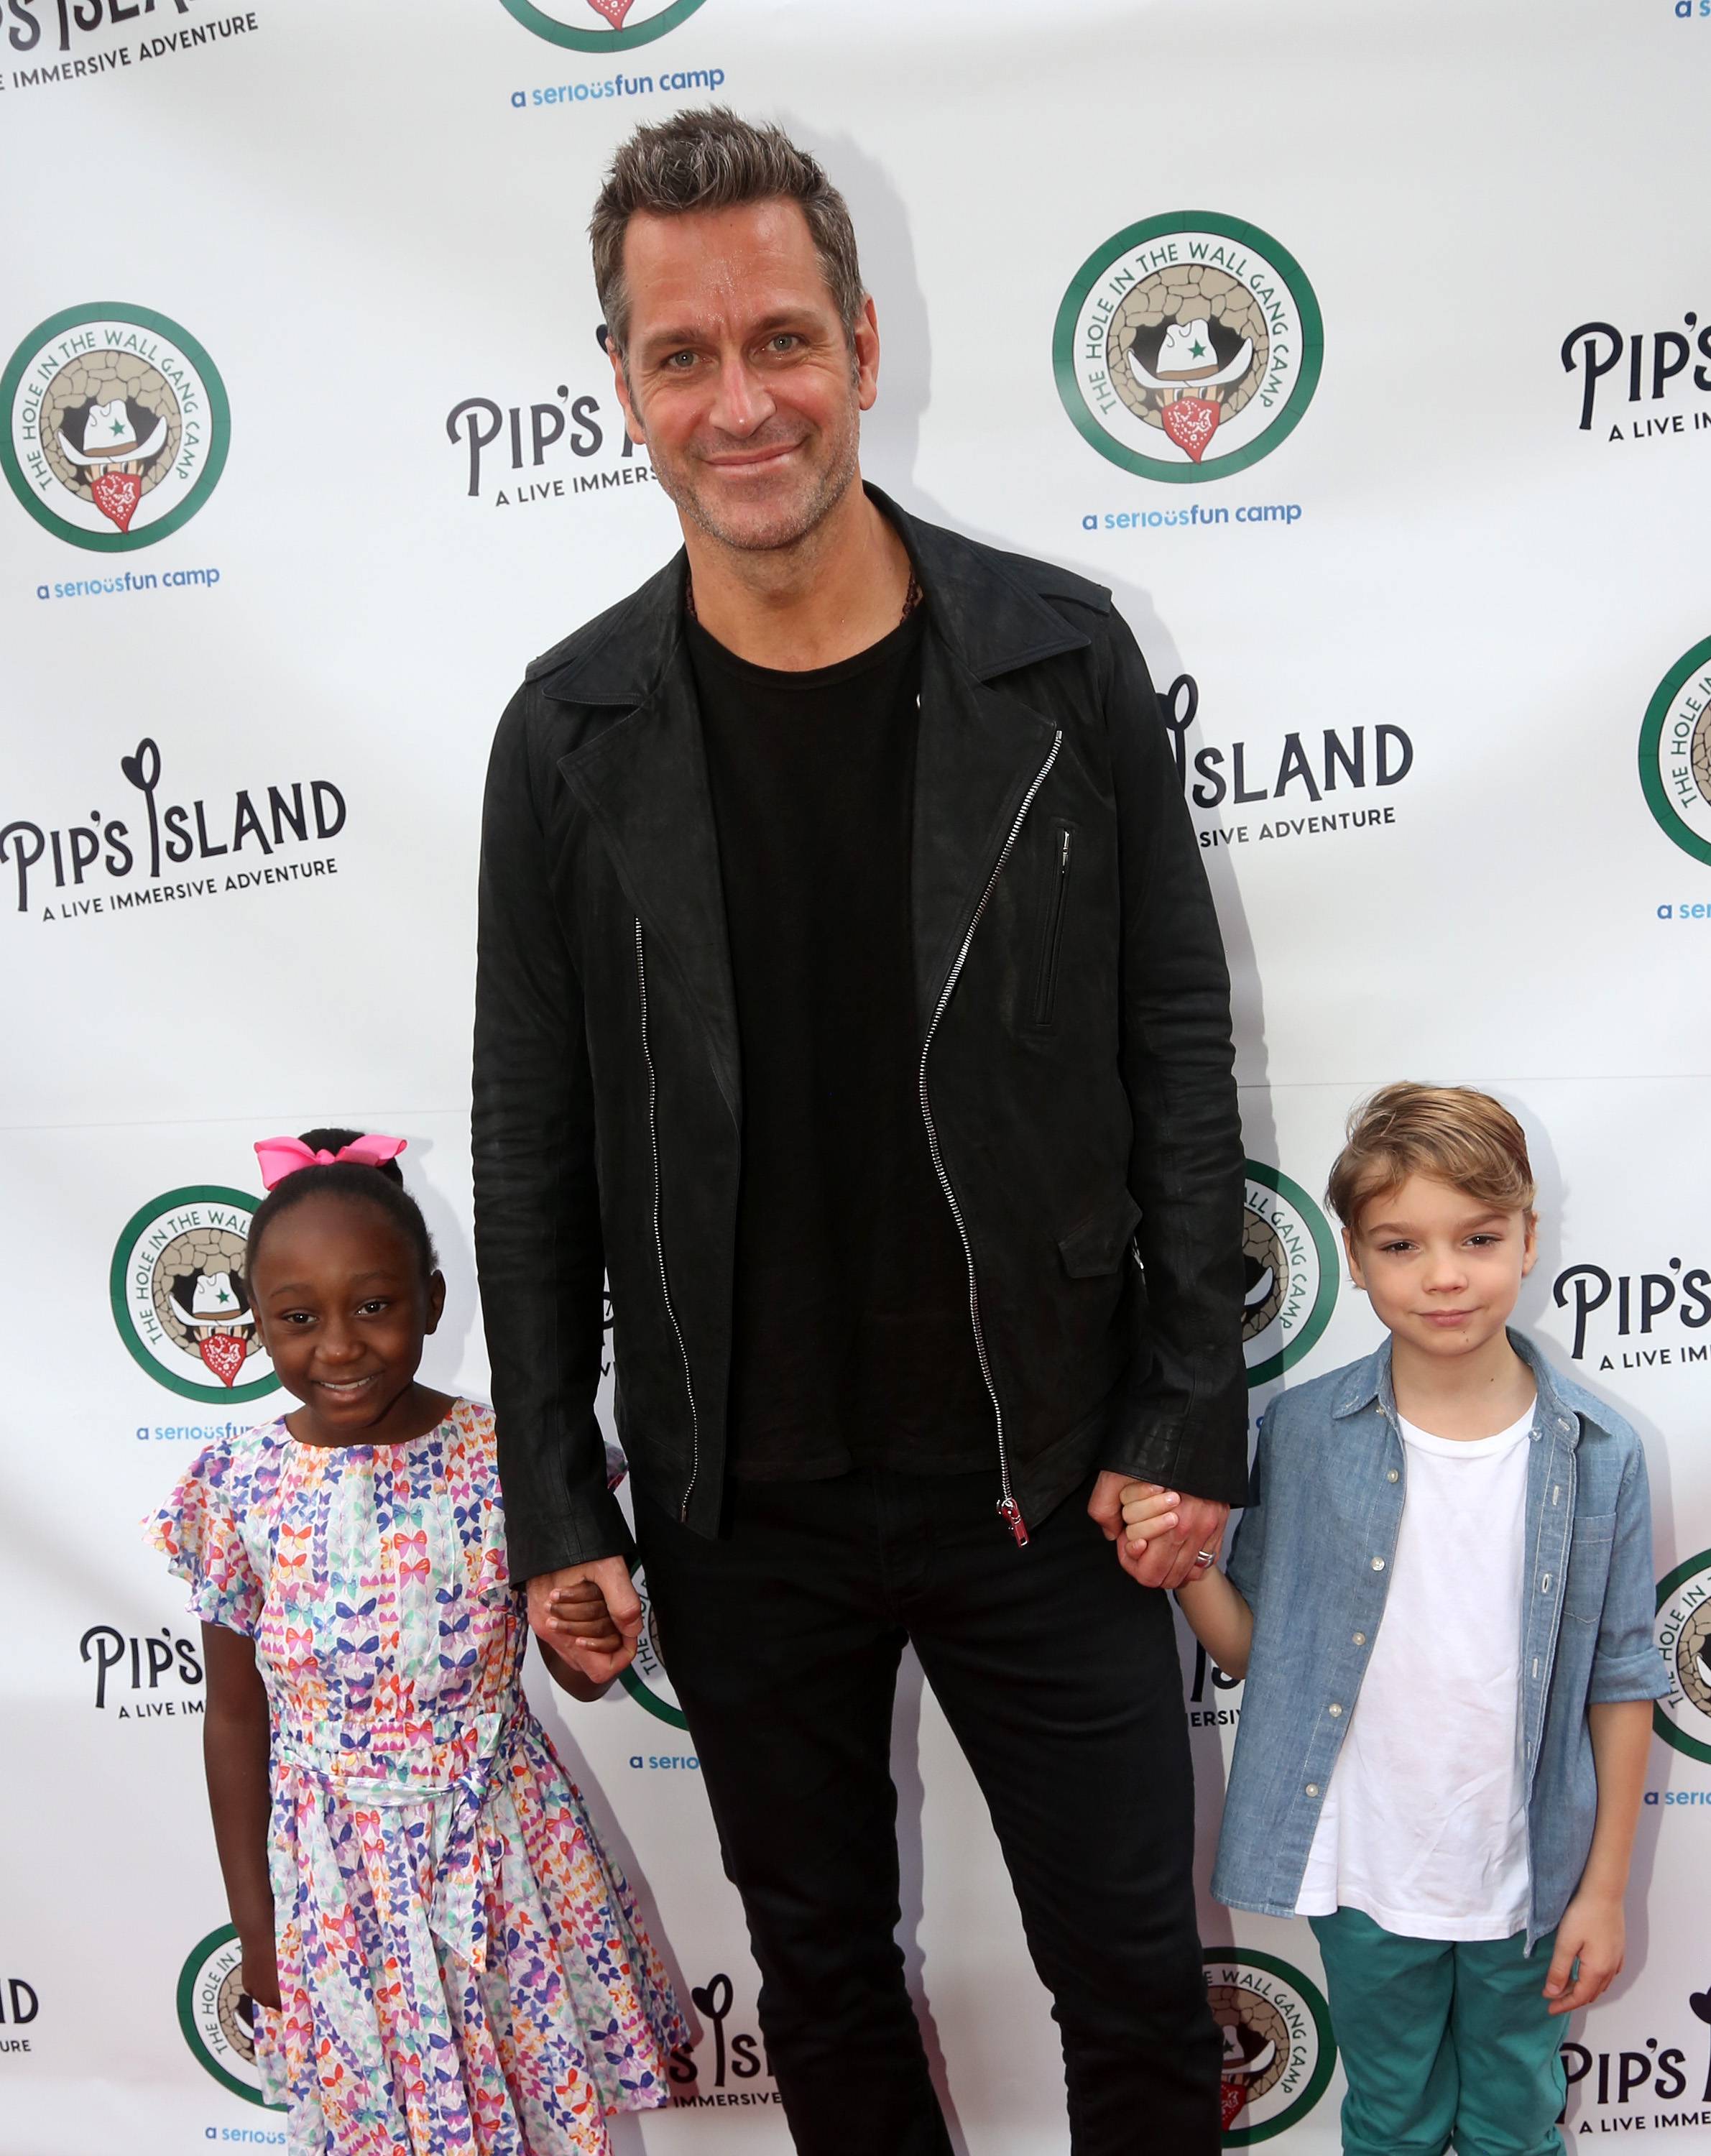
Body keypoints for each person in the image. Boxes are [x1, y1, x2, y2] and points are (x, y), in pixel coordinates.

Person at [473, 108, 1249, 2154]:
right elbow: (529, 1126)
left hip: (1049, 1469)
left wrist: (1187, 1410)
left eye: (780, 340)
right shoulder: (566, 735)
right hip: (740, 1508)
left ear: (863, 342)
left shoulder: (1052, 658)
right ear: (623, 386)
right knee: (819, 1992)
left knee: (1138, 1998)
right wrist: (555, 1490)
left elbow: (1170, 1044)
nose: (742, 402)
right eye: (682, 355)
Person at [1122, 1084, 1669, 2156]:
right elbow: (1256, 1656)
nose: (1444, 1275)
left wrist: (1601, 1890)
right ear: (1353, 1256)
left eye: (1476, 1237)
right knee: (1390, 2120)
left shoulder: (1599, 1451)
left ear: (1526, 1236)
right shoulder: (1305, 1433)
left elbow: (1619, 1680)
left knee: (1515, 2123)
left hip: (1526, 1876)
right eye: (1400, 1244)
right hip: (1362, 1869)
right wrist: (1185, 1566)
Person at [148, 1128, 686, 2156]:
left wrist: (583, 1642)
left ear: (433, 1302)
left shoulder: (513, 1461)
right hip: (334, 1884)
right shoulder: (235, 1485)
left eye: (375, 1306)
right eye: (299, 1318)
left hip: (504, 1856)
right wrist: (255, 1928)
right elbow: (231, 1714)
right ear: (256, 1327)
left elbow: (577, 1680)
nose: (339, 1346)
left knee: (539, 2120)